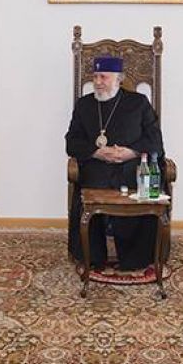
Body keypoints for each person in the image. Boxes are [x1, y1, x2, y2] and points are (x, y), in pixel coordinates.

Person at [65, 56, 163, 272]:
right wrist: (97, 152)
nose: (98, 82)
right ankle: (92, 256)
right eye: (95, 77)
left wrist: (131, 152)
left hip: (132, 168)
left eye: (104, 77)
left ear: (119, 79)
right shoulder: (84, 105)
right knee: (89, 186)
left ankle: (135, 258)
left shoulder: (138, 103)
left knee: (139, 184)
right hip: (97, 168)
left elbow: (155, 140)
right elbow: (71, 142)